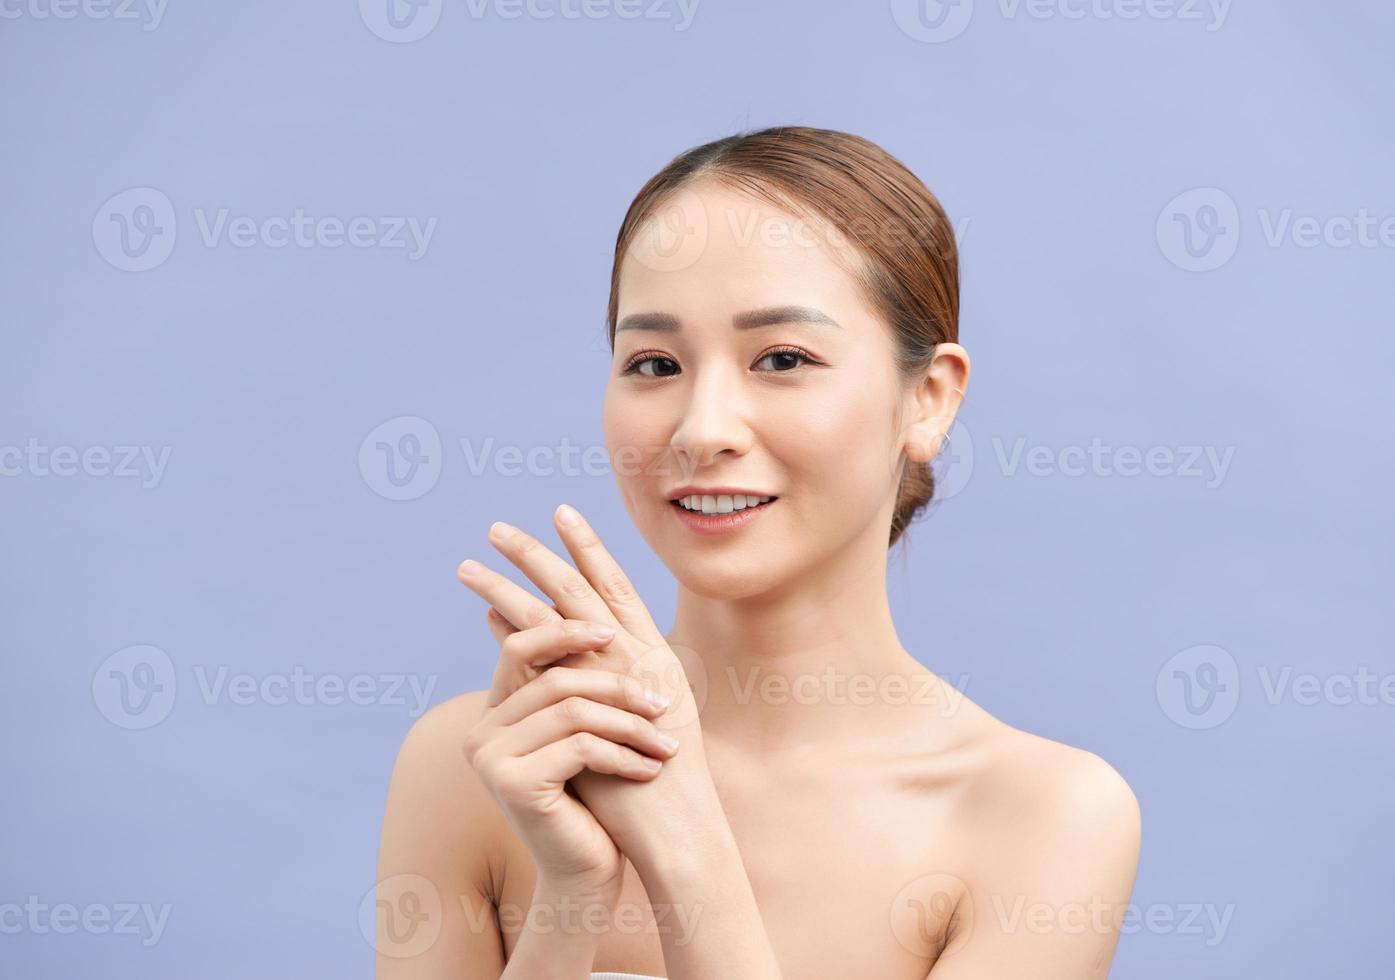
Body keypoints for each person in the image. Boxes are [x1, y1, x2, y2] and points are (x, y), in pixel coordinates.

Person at [374, 125, 1141, 979]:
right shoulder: (475, 765)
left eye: (782, 358)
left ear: (926, 398)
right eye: (654, 362)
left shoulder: (1045, 818)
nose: (701, 430)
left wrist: (684, 844)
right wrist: (570, 896)